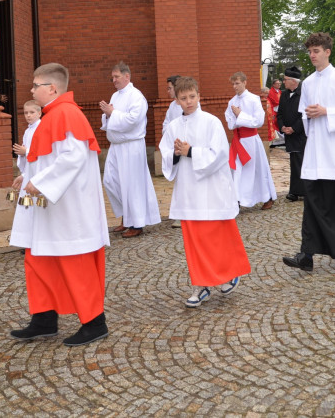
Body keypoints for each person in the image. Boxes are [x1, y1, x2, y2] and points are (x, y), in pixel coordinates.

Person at [9, 63, 110, 347]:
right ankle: (43, 317)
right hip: (46, 206)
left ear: (51, 88)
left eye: (35, 85)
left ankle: (94, 322)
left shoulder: (66, 114)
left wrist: (40, 183)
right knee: (39, 258)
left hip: (68, 208)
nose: (31, 90)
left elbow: (72, 158)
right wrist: (27, 177)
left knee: (73, 261)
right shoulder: (52, 116)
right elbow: (46, 158)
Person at [159, 77, 251, 308]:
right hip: (189, 192)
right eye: (183, 98)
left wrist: (190, 152)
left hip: (211, 191)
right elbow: (166, 156)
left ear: (199, 95)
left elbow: (219, 155)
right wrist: (176, 154)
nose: (188, 102)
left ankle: (228, 274)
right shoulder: (173, 127)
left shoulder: (211, 122)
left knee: (216, 239)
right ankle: (200, 286)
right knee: (195, 242)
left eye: (192, 96)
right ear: (177, 101)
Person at [282, 33, 335, 273]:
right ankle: (306, 255)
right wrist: (311, 115)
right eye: (309, 51)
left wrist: (327, 112)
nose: (312, 55)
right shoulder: (307, 83)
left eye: (316, 51)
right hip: (317, 152)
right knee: (313, 204)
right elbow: (305, 116)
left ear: (328, 52)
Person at [99, 62, 161, 238]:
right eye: (112, 77)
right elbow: (112, 117)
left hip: (131, 145)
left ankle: (136, 223)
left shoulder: (136, 96)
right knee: (110, 181)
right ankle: (126, 216)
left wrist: (112, 113)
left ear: (127, 76)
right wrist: (108, 113)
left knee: (131, 185)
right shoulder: (115, 95)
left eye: (116, 77)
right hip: (116, 146)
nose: (114, 80)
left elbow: (134, 120)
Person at [225, 71, 278, 210]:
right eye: (233, 84)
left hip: (252, 141)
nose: (235, 87)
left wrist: (240, 115)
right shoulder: (232, 101)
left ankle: (267, 197)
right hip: (239, 141)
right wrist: (236, 118)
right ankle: (237, 199)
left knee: (258, 170)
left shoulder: (254, 99)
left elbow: (259, 121)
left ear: (244, 82)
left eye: (237, 83)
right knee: (237, 170)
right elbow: (229, 121)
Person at [275, 65, 306, 202]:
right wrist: (282, 127)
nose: (283, 82)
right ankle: (295, 190)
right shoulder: (284, 94)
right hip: (289, 134)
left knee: (301, 161)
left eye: (285, 79)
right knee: (294, 162)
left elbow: (304, 115)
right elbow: (280, 113)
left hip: (301, 134)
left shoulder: (303, 94)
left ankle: (303, 191)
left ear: (294, 81)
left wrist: (294, 128)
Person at [162, 75, 184, 228]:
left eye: (169, 88)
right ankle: (180, 214)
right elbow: (166, 124)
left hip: (184, 148)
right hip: (174, 147)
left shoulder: (186, 104)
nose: (168, 91)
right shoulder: (171, 106)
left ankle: (185, 215)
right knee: (179, 182)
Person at [10, 99, 42, 197]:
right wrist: (22, 154)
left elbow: (43, 151)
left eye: (32, 112)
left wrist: (26, 151)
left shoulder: (41, 128)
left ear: (39, 113)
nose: (28, 115)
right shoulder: (28, 131)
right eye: (26, 113)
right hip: (30, 170)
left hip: (38, 170)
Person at [267, 78, 283, 148]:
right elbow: (273, 100)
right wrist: (280, 103)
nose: (279, 85)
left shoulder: (279, 91)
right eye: (277, 83)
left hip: (279, 109)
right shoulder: (271, 91)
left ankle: (280, 140)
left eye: (279, 83)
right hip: (274, 109)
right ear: (273, 84)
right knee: (275, 124)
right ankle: (275, 141)